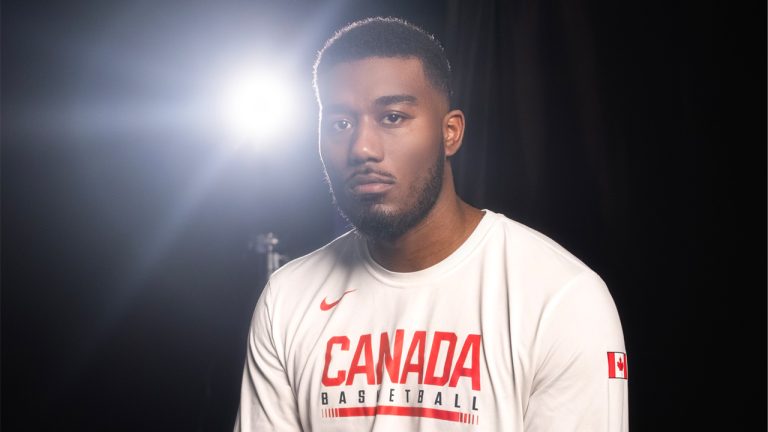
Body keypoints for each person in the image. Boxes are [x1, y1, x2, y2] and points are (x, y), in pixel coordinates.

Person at [235, 17, 628, 431]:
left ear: (450, 132)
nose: (362, 148)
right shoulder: (287, 298)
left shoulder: (560, 299)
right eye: (340, 124)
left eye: (392, 117)